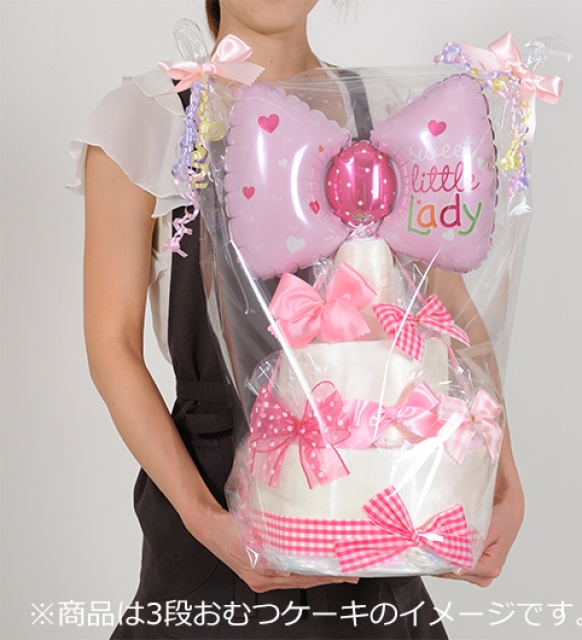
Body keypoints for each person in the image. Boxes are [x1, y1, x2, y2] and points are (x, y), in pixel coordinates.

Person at [72, 1, 524, 637]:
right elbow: (112, 347)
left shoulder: (386, 114)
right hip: (212, 510)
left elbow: (448, 305)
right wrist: (207, 521)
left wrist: (503, 480)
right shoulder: (145, 117)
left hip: (373, 490)